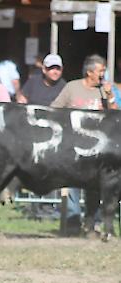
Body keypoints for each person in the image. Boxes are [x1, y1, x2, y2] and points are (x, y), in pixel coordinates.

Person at [50, 54, 118, 233]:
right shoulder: (72, 88)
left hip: (98, 148)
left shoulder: (104, 91)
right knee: (71, 182)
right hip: (73, 145)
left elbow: (114, 117)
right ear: (89, 72)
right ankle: (72, 222)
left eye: (104, 71)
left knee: (94, 186)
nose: (103, 74)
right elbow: (54, 109)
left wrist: (110, 96)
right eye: (100, 71)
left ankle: (91, 223)